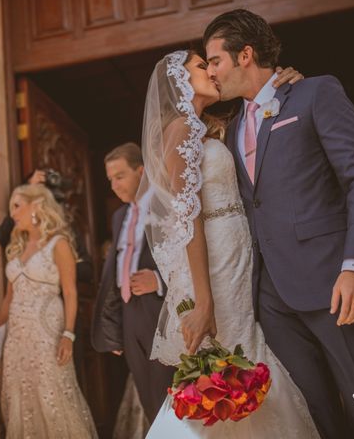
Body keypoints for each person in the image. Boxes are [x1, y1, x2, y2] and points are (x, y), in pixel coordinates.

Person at [202, 9, 354, 438]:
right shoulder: (232, 129)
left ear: (246, 55)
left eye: (214, 60)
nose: (211, 71)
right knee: (316, 417)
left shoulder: (315, 93)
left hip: (334, 285)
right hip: (271, 301)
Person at [140, 49, 318, 437]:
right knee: (231, 358)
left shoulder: (205, 126)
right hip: (216, 264)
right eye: (202, 66)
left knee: (242, 354)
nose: (212, 70)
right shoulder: (182, 130)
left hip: (237, 257)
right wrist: (203, 301)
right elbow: (188, 217)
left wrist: (282, 83)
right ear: (180, 81)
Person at [0, 184, 97, 438]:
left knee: (52, 392)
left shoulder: (58, 243)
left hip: (47, 330)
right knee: (20, 394)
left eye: (17, 206)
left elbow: (70, 292)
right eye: (11, 208)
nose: (13, 214)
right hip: (17, 337)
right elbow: (8, 298)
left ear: (37, 205)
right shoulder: (16, 249)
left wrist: (68, 334)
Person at [91, 142, 176, 423]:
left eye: (120, 176)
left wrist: (160, 281)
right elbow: (114, 273)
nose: (114, 185)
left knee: (171, 392)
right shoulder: (119, 217)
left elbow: (192, 254)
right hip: (130, 314)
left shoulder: (167, 203)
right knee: (148, 398)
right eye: (110, 179)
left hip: (160, 309)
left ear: (141, 171)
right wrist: (113, 325)